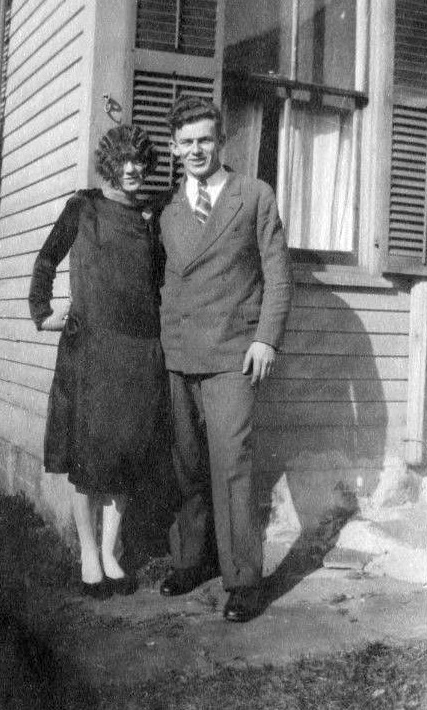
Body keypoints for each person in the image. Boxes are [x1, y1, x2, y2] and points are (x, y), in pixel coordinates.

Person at [158, 96, 293, 622]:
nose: (196, 150)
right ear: (174, 148)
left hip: (233, 354)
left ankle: (242, 580)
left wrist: (266, 339)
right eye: (186, 142)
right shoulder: (168, 209)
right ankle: (192, 560)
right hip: (179, 352)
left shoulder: (253, 195)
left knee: (232, 465)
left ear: (220, 141)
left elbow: (277, 275)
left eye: (205, 140)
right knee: (187, 466)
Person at [29, 124, 164, 599]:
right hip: (90, 349)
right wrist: (43, 313)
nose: (133, 169)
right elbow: (46, 259)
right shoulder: (82, 207)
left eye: (139, 160)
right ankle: (88, 553)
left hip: (138, 351)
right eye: (123, 160)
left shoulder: (150, 217)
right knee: (88, 456)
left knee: (125, 453)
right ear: (109, 164)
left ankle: (111, 552)